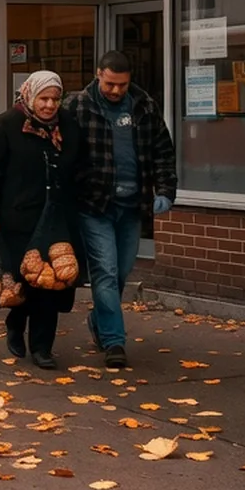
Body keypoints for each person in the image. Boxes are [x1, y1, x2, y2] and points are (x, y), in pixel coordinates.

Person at [65, 51, 177, 369]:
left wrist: (166, 191)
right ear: (98, 73)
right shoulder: (77, 106)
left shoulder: (144, 106)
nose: (116, 91)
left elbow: (162, 151)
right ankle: (115, 342)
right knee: (106, 272)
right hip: (94, 205)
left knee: (122, 273)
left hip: (132, 206)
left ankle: (99, 319)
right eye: (111, 83)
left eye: (122, 85)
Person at [0, 70, 78, 370]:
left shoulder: (68, 126)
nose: (49, 105)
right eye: (44, 98)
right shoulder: (9, 124)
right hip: (20, 216)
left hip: (57, 217)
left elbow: (78, 167)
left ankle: (43, 347)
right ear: (30, 96)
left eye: (55, 99)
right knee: (24, 280)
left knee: (51, 283)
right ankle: (15, 322)